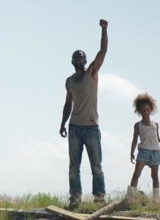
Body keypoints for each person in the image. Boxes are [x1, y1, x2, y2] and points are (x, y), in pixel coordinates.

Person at [59, 19, 108, 207]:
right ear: (72, 61)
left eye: (81, 56)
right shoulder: (69, 81)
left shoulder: (92, 73)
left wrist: (104, 30)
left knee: (96, 167)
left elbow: (103, 52)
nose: (78, 58)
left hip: (91, 127)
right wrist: (62, 123)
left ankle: (99, 198)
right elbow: (67, 104)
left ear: (86, 60)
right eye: (75, 57)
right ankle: (75, 198)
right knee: (74, 167)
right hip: (74, 128)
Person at [127, 93, 160, 201]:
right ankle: (130, 198)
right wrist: (131, 152)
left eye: (147, 109)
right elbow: (135, 139)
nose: (145, 112)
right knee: (136, 174)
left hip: (155, 152)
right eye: (143, 110)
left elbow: (158, 139)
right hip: (143, 152)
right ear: (139, 111)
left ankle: (156, 199)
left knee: (155, 176)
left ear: (151, 110)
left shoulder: (156, 125)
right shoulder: (138, 125)